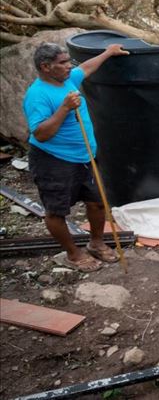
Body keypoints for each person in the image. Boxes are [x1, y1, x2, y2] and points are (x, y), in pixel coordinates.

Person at [23, 42, 128, 272]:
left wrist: (108, 52)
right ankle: (73, 254)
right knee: (56, 211)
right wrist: (64, 108)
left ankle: (96, 243)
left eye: (69, 61)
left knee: (97, 202)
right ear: (46, 67)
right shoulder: (37, 95)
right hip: (54, 160)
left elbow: (87, 68)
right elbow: (40, 134)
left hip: (85, 156)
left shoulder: (68, 79)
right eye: (63, 62)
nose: (69, 66)